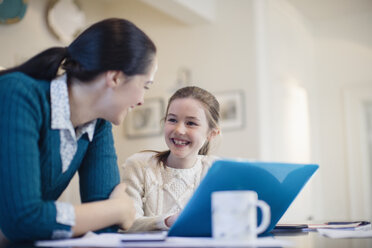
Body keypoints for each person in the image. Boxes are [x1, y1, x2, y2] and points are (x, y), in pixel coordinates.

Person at [0, 18, 157, 242]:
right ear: (115, 77)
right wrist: (118, 209)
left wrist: (110, 213)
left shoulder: (99, 124)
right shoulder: (18, 94)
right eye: (145, 86)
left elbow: (106, 229)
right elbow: (23, 220)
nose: (142, 100)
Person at [122, 86, 221, 232]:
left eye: (191, 123)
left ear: (211, 134)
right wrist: (168, 221)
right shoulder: (138, 165)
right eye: (172, 120)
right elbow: (126, 224)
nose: (179, 130)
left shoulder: (216, 169)